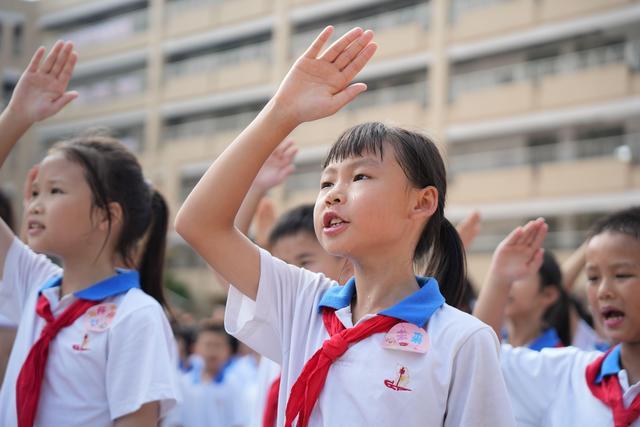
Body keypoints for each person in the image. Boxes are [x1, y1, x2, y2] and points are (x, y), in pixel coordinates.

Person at [175, 26, 515, 426]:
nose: (334, 194)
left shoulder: (462, 340)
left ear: (422, 202)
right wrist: (282, 111)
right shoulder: (304, 303)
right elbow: (199, 223)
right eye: (326, 182)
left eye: (360, 177)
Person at [0, 41, 179, 426]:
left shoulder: (136, 316)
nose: (35, 204)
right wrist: (16, 116)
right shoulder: (38, 286)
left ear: (106, 216)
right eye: (34, 192)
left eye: (55, 191)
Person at [473, 210, 640, 426]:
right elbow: (481, 355)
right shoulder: (570, 373)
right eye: (593, 278)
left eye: (622, 275)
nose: (603, 291)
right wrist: (500, 277)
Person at [166, 322, 245, 427]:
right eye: (207, 345)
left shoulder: (234, 384)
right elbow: (175, 421)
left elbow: (238, 422)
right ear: (195, 348)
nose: (212, 351)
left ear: (228, 350)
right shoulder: (183, 384)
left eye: (218, 345)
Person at [502, 250, 571, 350]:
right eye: (507, 275)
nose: (508, 283)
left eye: (519, 276)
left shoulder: (556, 357)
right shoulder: (491, 341)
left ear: (548, 295)